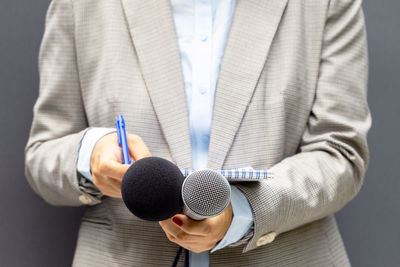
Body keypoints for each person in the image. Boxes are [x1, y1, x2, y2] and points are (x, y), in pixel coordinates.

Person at [25, 0, 371, 266]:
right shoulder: (81, 6)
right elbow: (42, 156)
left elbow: (340, 152)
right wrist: (91, 156)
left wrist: (243, 211)